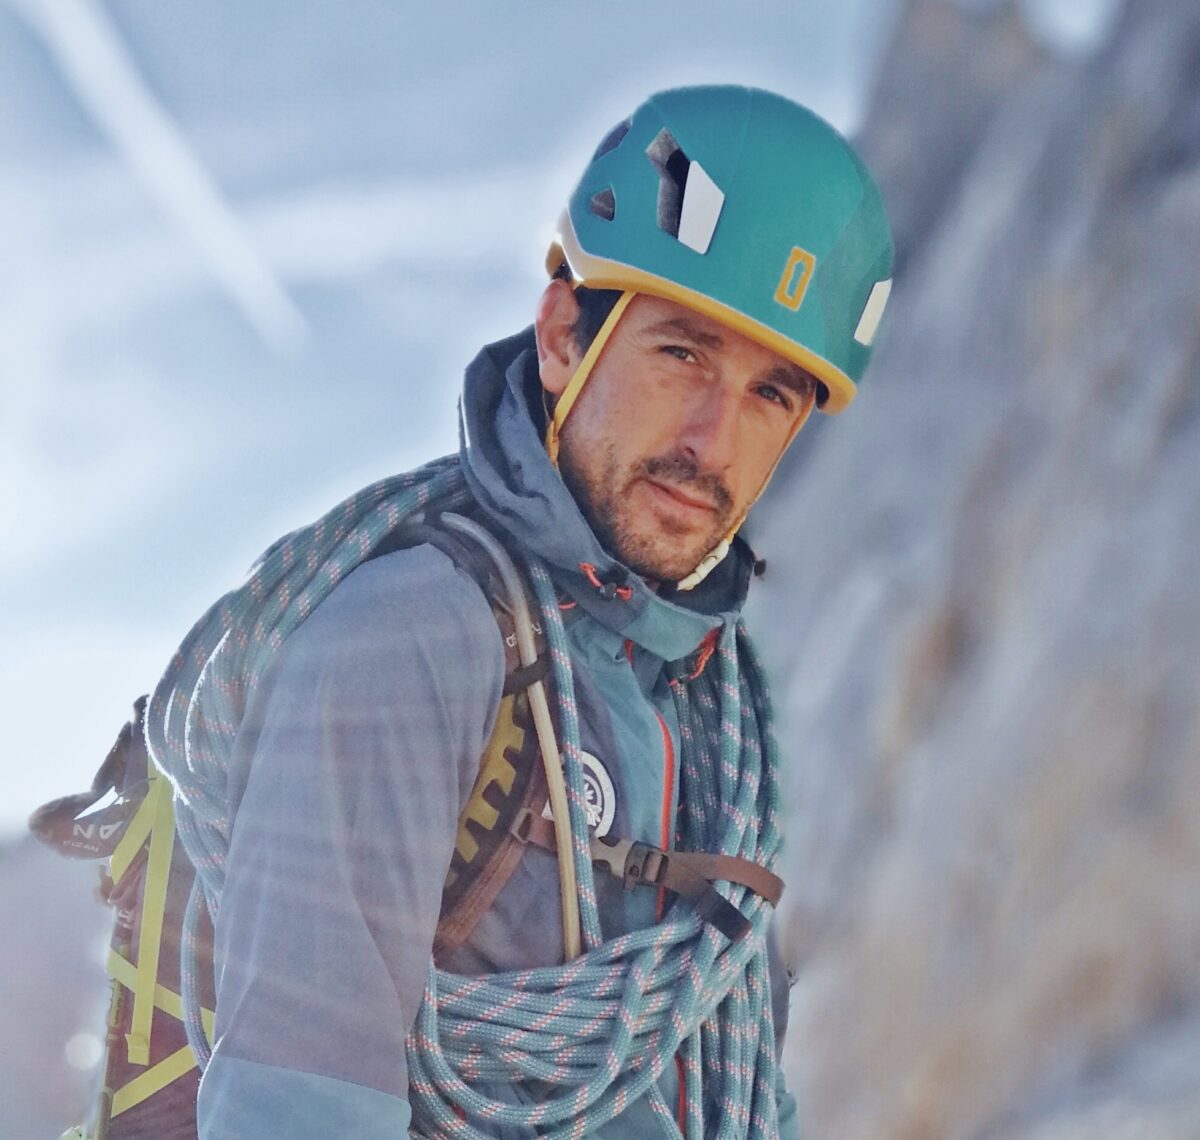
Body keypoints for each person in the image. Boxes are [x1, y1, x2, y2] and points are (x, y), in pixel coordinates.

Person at [151, 84, 894, 1138]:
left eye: (772, 392)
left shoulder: (710, 709)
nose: (712, 439)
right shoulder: (409, 641)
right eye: (682, 352)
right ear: (561, 337)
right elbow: (296, 1108)